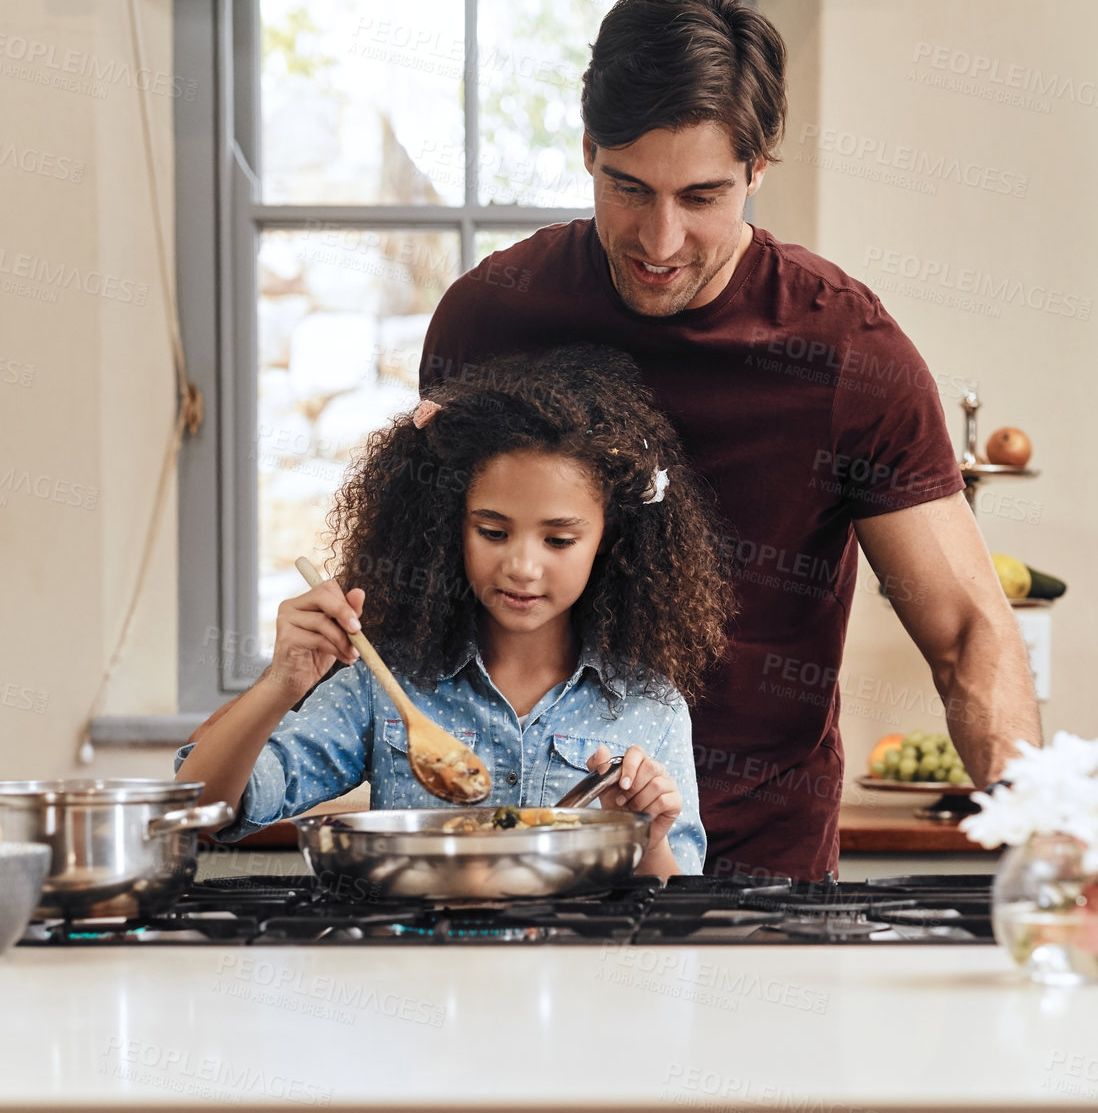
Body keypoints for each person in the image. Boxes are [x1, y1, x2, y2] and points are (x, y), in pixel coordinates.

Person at [419, 0, 1041, 881]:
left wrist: (1044, 844)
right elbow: (427, 570)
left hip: (760, 877)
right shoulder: (491, 317)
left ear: (758, 167)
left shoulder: (846, 353)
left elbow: (966, 636)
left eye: (702, 197)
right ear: (588, 148)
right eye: (627, 187)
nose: (660, 240)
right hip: (516, 857)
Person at [176, 345, 735, 878]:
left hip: (576, 974)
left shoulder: (650, 706)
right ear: (450, 528)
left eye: (559, 540)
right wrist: (281, 682)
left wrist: (649, 837)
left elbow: (670, 902)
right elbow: (204, 810)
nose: (521, 566)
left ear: (608, 541)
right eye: (492, 531)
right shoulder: (386, 684)